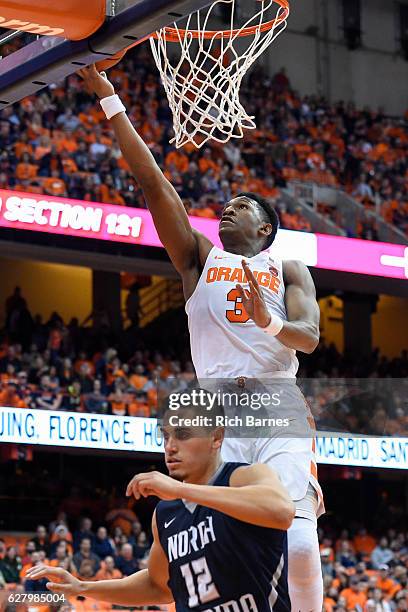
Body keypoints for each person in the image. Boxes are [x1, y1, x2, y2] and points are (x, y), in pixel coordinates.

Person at [77, 64, 324, 611]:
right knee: (218, 544)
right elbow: (152, 181)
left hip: (276, 401)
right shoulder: (197, 260)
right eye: (225, 202)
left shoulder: (288, 267)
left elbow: (307, 339)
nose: (227, 206)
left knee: (300, 541)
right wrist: (112, 100)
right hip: (214, 411)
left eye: (243, 205)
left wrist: (269, 323)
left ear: (264, 229)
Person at [26, 393, 294, 610]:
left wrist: (181, 491)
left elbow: (281, 511)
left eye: (183, 434)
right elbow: (159, 586)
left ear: (216, 437)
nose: (170, 446)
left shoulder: (244, 476)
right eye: (166, 435)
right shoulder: (166, 513)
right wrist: (84, 586)